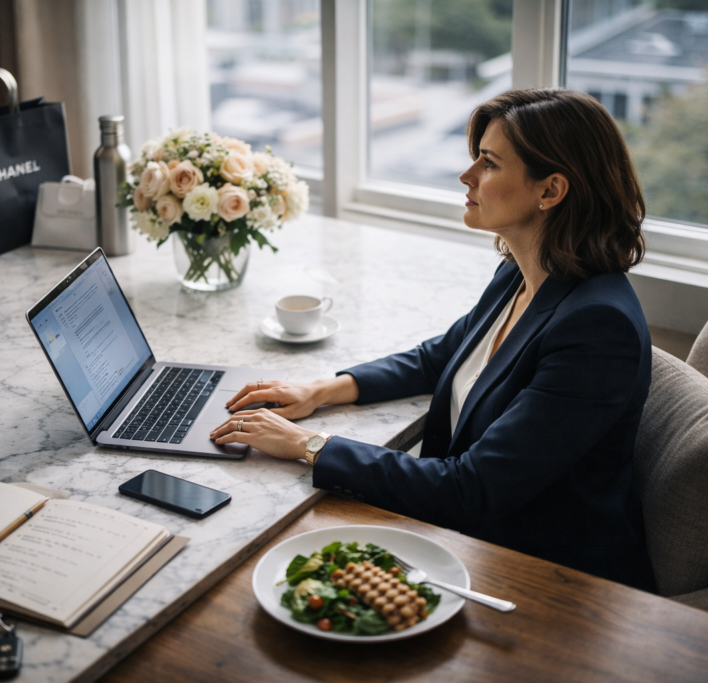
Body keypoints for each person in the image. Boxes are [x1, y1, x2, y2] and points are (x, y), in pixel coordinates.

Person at [210, 88, 656, 592]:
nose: (466, 177)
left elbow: (472, 488)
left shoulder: (598, 328)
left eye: (488, 164)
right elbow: (442, 356)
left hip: (544, 575)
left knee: (272, 560)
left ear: (550, 191)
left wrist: (307, 445)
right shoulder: (525, 270)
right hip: (478, 532)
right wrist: (321, 390)